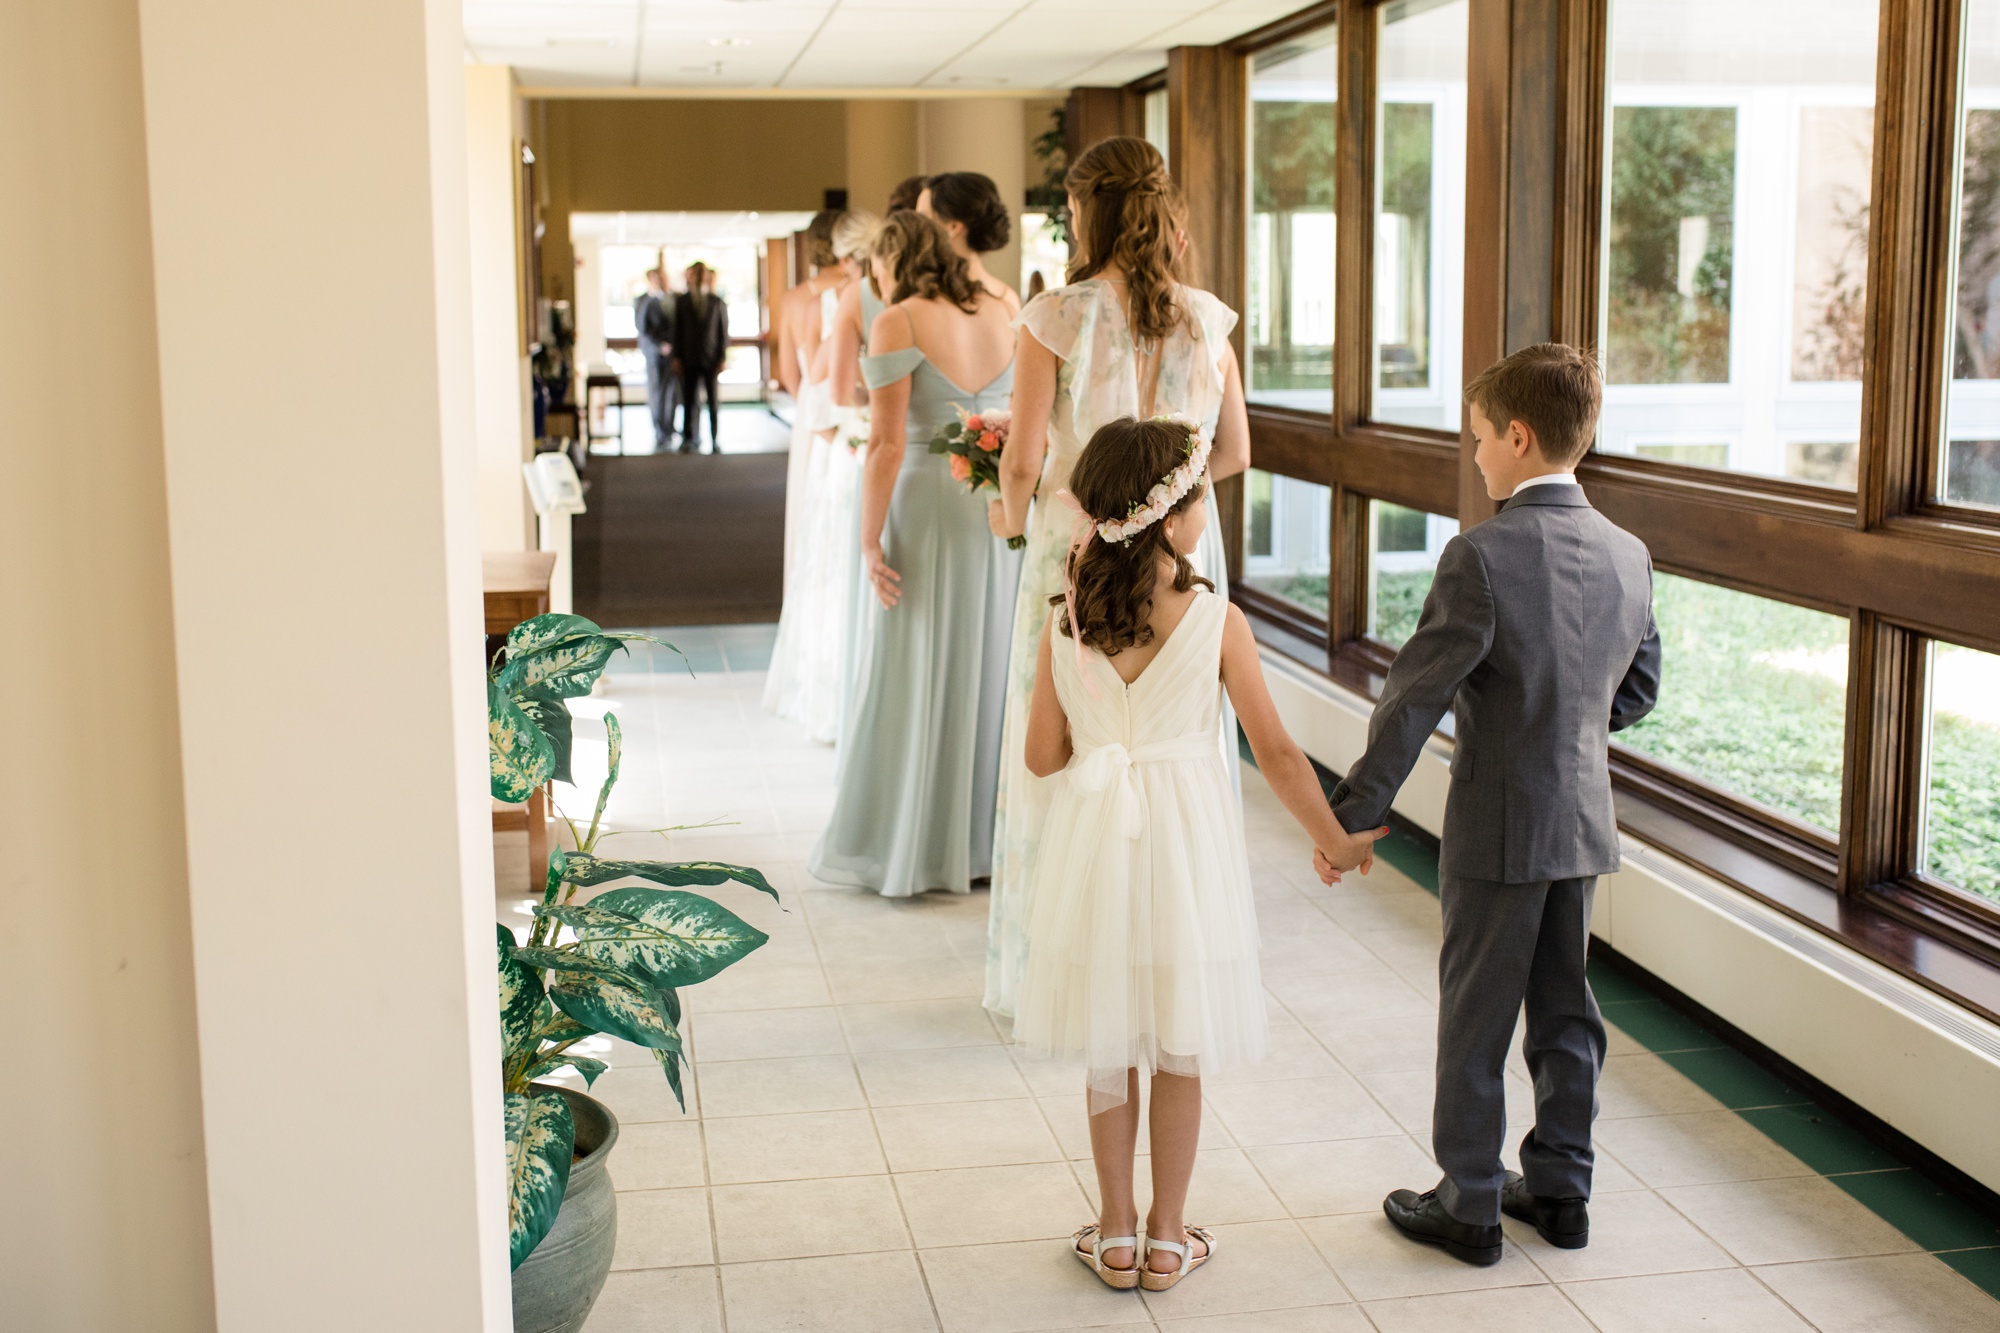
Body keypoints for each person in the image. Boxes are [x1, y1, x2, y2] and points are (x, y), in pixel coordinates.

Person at [1011, 415, 1386, 1292]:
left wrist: (1100, 726)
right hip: (1184, 853)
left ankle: (1112, 1231)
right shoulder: (1219, 620)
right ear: (1172, 519)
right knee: (1179, 1042)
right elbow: (1280, 753)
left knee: (1114, 1039)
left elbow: (1040, 755)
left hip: (1100, 848)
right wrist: (1333, 839)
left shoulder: (1065, 619)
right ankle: (1169, 1234)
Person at [1322, 343, 1661, 1266]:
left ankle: (1469, 1203)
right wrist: (1563, 728)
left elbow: (1414, 696)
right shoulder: (1630, 554)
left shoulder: (1481, 555)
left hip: (1498, 824)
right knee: (1567, 1011)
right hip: (1584, 821)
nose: (1474, 456)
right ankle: (1562, 1188)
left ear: (1517, 435)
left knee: (1476, 1014)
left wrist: (1353, 814)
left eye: (1479, 438)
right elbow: (1636, 692)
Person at [984, 135, 1251, 1019]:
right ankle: (1164, 955)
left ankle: (1054, 964)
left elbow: (1023, 458)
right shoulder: (1208, 321)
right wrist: (1165, 511)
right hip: (1177, 563)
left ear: (1086, 212)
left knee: (1062, 749)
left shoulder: (1053, 317)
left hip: (1077, 561)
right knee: (1168, 750)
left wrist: (1007, 516)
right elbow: (1236, 450)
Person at [807, 212, 1020, 897]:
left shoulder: (898, 318)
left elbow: (888, 445)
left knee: (915, 662)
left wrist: (869, 540)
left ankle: (915, 843)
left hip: (927, 504)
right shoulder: (1004, 305)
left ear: (892, 260)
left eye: (875, 267)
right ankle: (982, 843)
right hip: (996, 507)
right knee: (990, 662)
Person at [764, 210, 876, 743]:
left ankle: (818, 677)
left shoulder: (797, 299)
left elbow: (790, 376)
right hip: (849, 419)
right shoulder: (878, 295)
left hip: (822, 415)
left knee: (818, 543)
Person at [775, 211, 846, 582]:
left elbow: (789, 375)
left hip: (811, 412)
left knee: (810, 505)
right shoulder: (861, 289)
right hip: (854, 406)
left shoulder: (794, 298)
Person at [918, 172, 1020, 313]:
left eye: (923, 218)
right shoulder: (1008, 297)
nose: (916, 227)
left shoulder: (924, 299)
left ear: (953, 226)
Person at [673, 261, 729, 452]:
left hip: (711, 359)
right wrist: (676, 357)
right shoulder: (682, 301)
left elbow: (723, 331)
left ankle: (715, 439)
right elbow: (677, 332)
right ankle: (688, 438)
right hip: (689, 359)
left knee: (713, 401)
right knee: (689, 401)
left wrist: (722, 357)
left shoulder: (716, 301)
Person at [635, 266, 678, 450]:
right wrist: (660, 346)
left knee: (671, 392)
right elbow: (643, 329)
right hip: (654, 354)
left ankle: (669, 427)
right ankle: (659, 429)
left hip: (672, 354)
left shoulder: (672, 298)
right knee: (656, 392)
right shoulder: (643, 300)